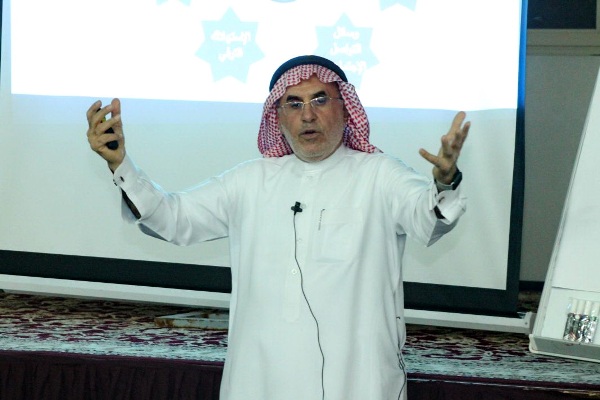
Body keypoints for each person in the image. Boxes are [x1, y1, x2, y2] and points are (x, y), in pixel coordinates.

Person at [86, 55, 470, 400]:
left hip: (356, 380)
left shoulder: (380, 175)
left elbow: (427, 218)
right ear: (278, 116)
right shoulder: (250, 181)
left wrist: (444, 181)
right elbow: (173, 218)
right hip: (260, 379)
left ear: (345, 108)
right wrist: (121, 165)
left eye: (320, 100)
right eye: (294, 103)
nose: (308, 115)